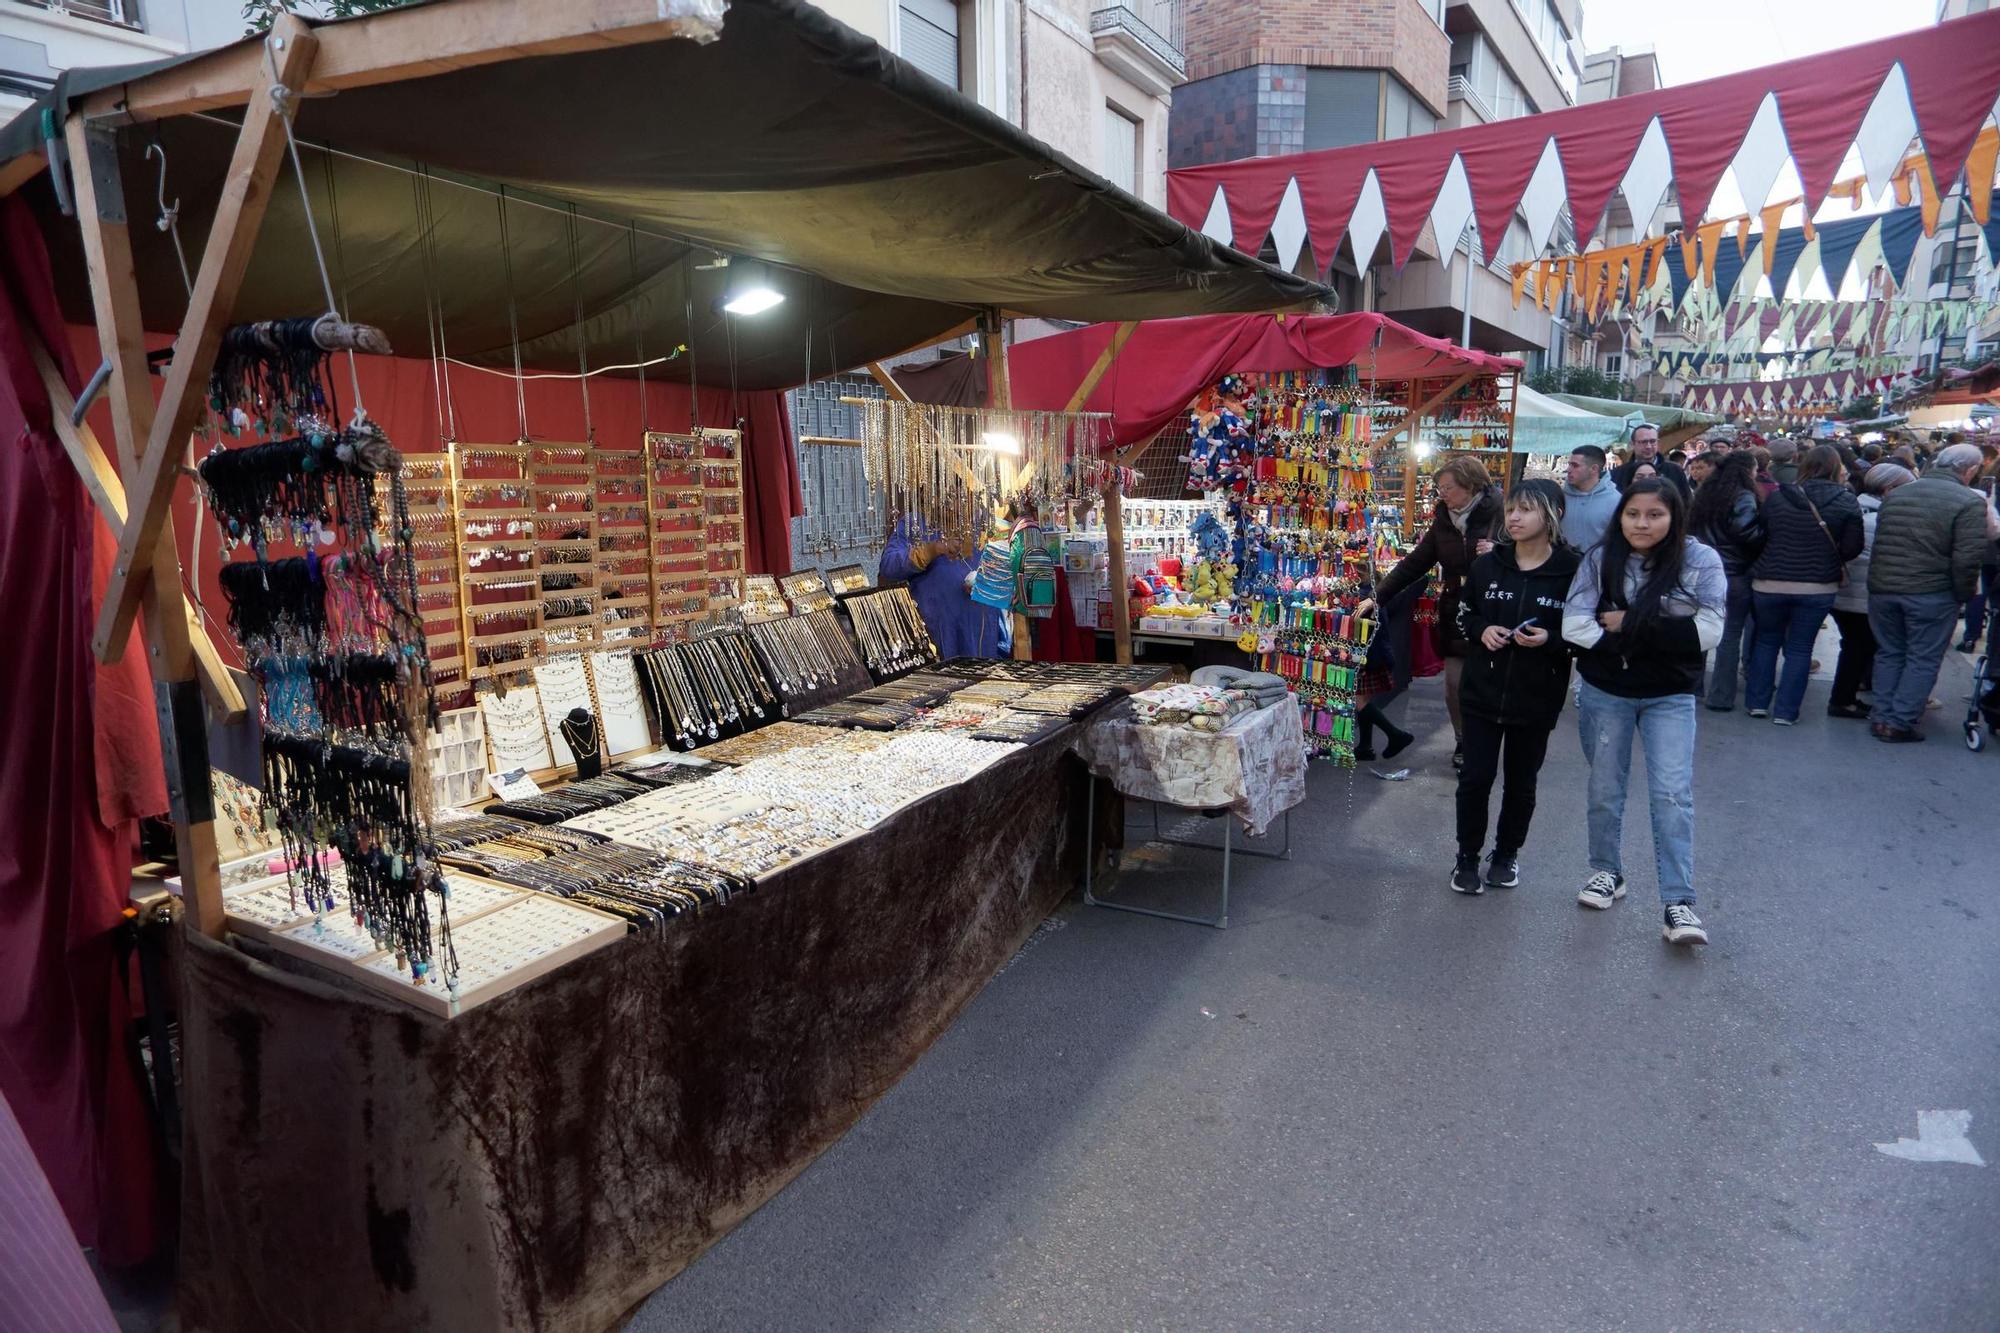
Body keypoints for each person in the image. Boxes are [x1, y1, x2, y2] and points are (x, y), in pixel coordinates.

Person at [1562, 478, 1727, 946]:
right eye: (1634, 513)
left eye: (1655, 514)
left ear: (1674, 517)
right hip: (1606, 689)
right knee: (1604, 788)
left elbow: (1709, 631)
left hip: (1670, 696)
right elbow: (1575, 625)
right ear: (1621, 515)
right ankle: (1606, 872)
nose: (1642, 523)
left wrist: (1627, 622)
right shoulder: (1600, 558)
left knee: (1672, 794)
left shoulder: (1699, 561)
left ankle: (1679, 902)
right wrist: (1665, 627)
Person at [1449, 481, 1581, 894]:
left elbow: (1582, 633)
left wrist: (1552, 641)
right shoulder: (1490, 565)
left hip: (1536, 696)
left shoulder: (1573, 571)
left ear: (1553, 515)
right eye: (1511, 510)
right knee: (1475, 778)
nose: (1515, 518)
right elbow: (1464, 613)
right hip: (1482, 692)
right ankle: (1466, 857)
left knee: (1522, 783)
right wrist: (1482, 629)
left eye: (1527, 510)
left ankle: (1506, 855)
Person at [1358, 454, 1503, 772]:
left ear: (1471, 484)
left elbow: (1531, 551)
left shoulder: (1501, 514)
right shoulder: (1443, 521)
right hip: (1456, 609)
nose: (1442, 494)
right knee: (1453, 685)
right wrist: (1377, 597)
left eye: (1448, 487)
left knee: (1490, 684)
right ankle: (1463, 740)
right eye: (1439, 488)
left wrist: (1501, 552)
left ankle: (1487, 740)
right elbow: (1414, 564)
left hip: (1495, 609)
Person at [1866, 443, 1991, 742]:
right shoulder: (1969, 502)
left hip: (1884, 587)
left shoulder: (1898, 494)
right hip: (1930, 591)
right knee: (1922, 657)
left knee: (1890, 653)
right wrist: (1964, 595)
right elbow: (1967, 557)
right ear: (1971, 470)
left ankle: (1881, 716)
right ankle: (1898, 722)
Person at [1743, 445, 1864, 725]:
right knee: (1800, 648)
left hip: (1769, 582)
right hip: (1817, 586)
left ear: (1803, 464)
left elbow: (1761, 533)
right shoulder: (1846, 500)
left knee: (1765, 642)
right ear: (1837, 468)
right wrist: (1827, 558)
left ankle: (1757, 704)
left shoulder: (1779, 496)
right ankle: (1786, 713)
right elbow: (1853, 546)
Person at [1828, 463, 1916, 719]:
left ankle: (1847, 696)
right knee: (1859, 647)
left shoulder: (1856, 506)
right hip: (1862, 594)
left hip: (1847, 591)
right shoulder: (1879, 518)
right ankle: (1842, 700)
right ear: (1889, 488)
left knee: (1856, 646)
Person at [1689, 450, 1766, 711]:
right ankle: (1720, 696)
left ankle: (1692, 687)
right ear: (1748, 470)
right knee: (1729, 636)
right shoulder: (1742, 495)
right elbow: (1746, 530)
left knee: (1697, 630)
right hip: (1733, 572)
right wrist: (1765, 533)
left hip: (1701, 570)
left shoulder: (1705, 493)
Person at [878, 519, 1007, 658]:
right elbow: (888, 567)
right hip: (939, 630)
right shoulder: (915, 523)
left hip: (981, 630)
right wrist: (931, 550)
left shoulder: (980, 518)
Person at [1560, 445, 1620, 551]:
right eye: (1569, 465)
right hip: (1563, 564)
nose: (1568, 470)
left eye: (1575, 465)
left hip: (1599, 565)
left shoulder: (1616, 501)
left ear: (1594, 469)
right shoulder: (1560, 497)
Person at [1610, 424, 1690, 495]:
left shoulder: (1675, 471)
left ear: (1658, 442)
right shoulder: (1618, 474)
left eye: (1652, 441)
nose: (1648, 446)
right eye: (1643, 442)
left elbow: (1686, 503)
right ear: (1632, 444)